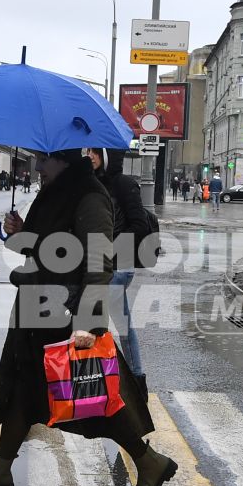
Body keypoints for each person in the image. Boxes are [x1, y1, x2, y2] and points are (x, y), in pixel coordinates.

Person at [0, 149, 176, 486]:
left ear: (63, 160)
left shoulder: (89, 195)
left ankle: (150, 462)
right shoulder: (55, 191)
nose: (37, 166)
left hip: (66, 313)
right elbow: (49, 249)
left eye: (43, 159)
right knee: (23, 383)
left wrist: (88, 322)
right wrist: (21, 233)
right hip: (38, 307)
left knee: (92, 394)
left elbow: (98, 259)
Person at [89, 147, 150, 375]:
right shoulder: (94, 183)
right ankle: (133, 376)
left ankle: (122, 378)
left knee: (98, 320)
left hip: (118, 267)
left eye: (95, 152)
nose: (89, 155)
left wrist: (109, 251)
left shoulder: (123, 184)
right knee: (119, 322)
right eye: (88, 151)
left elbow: (139, 226)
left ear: (107, 156)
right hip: (99, 265)